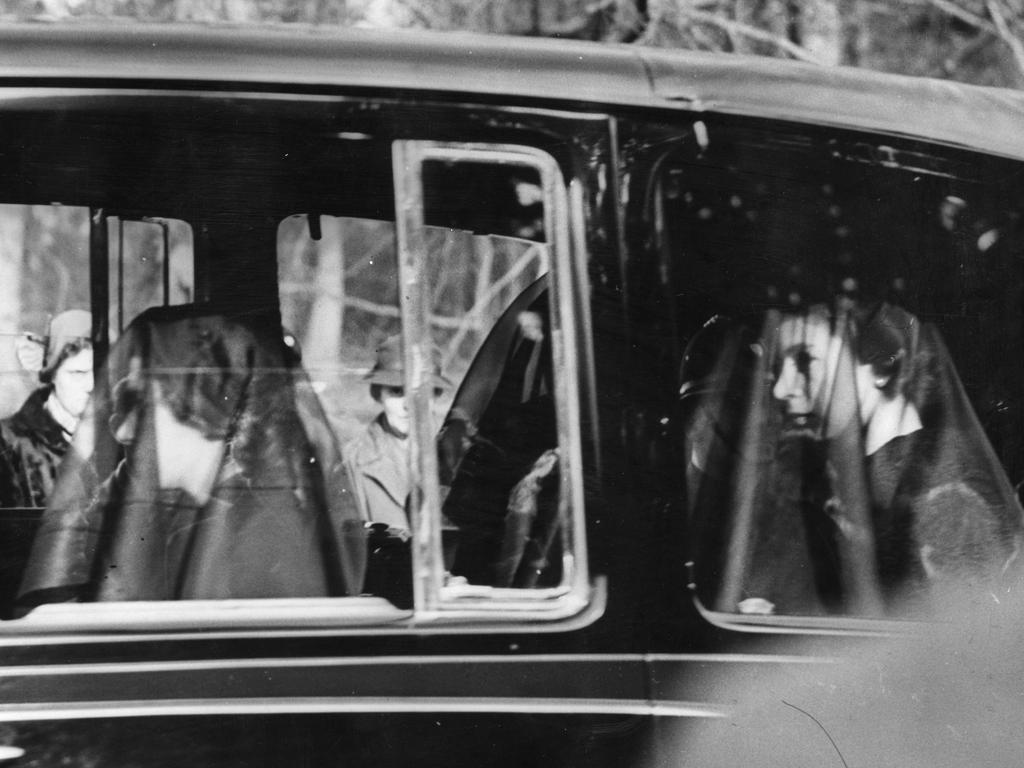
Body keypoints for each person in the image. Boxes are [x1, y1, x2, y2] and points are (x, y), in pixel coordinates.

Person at [18, 307, 366, 605]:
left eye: (142, 403)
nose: (123, 426)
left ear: (202, 414)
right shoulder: (140, 502)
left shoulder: (268, 542)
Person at [758, 300, 1022, 612]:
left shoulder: (949, 500)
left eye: (805, 360)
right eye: (780, 366)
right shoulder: (848, 477)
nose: (780, 389)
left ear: (881, 368)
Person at [343, 335, 451, 534]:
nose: (408, 405)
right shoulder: (352, 460)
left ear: (435, 396)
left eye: (419, 393)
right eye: (396, 391)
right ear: (378, 394)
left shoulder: (459, 455)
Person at [0, 309, 92, 508]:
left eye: (100, 372)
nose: (91, 385)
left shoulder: (122, 440)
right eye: (78, 373)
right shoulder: (8, 443)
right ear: (52, 374)